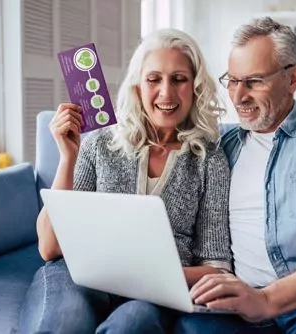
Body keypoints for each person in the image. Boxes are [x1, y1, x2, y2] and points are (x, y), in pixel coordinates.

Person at [19, 28, 232, 334]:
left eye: (179, 79)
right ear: (137, 87)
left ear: (195, 86)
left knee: (130, 326)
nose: (166, 93)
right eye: (154, 79)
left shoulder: (209, 160)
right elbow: (50, 247)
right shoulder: (100, 143)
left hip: (154, 294)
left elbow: (216, 268)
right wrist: (68, 157)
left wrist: (154, 276)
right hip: (80, 277)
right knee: (64, 323)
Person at [174, 16, 296, 334]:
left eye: (254, 82)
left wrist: (266, 299)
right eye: (233, 81)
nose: (238, 97)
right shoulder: (219, 146)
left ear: (292, 78)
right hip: (235, 308)